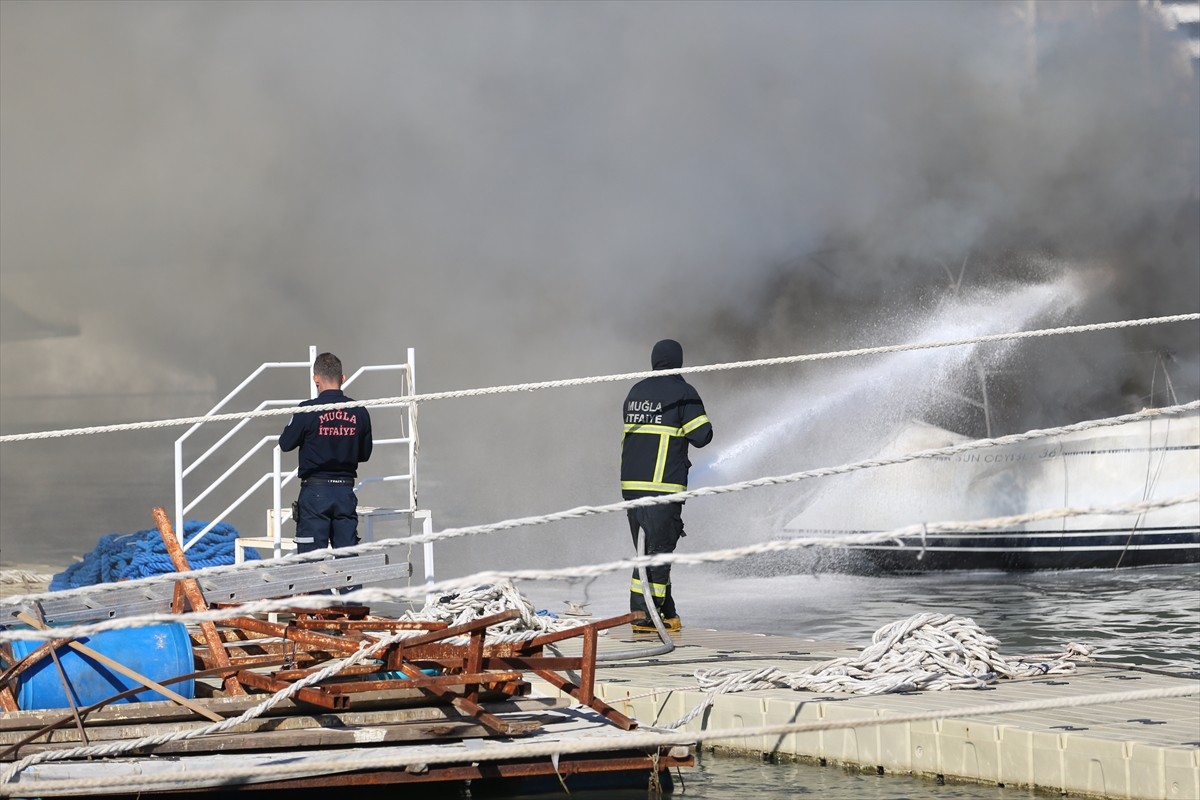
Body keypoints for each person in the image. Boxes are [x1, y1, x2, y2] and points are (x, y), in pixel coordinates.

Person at [621, 339, 712, 632]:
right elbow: (702, 435)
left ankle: (664, 610)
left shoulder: (636, 391)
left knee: (648, 550)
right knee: (658, 552)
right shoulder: (682, 392)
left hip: (631, 487)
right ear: (679, 361)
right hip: (662, 487)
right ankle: (644, 617)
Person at [279, 352, 373, 557]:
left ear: (316, 378)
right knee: (347, 562)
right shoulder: (359, 411)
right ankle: (351, 590)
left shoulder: (307, 410)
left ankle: (318, 590)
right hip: (345, 493)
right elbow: (365, 454)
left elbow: (285, 444)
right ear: (343, 378)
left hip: (315, 493)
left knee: (312, 563)